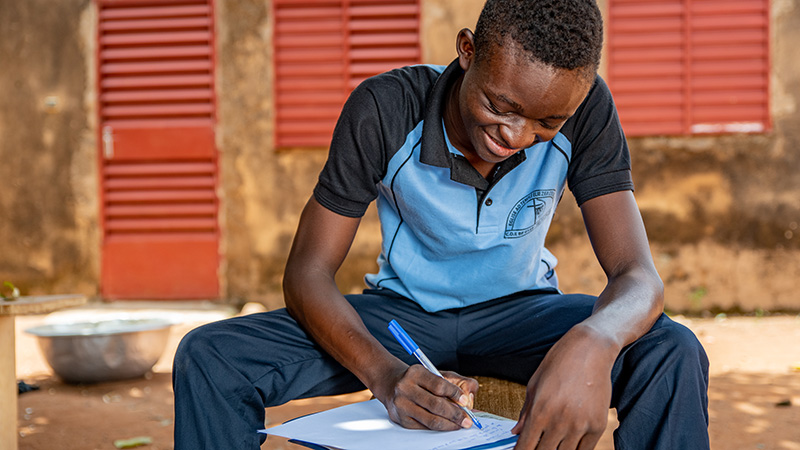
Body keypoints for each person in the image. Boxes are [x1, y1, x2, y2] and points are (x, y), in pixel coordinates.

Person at [173, 0, 710, 448]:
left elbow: (639, 277)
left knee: (670, 351)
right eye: (501, 105)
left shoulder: (589, 108)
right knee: (212, 356)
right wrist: (385, 376)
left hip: (521, 314)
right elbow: (308, 272)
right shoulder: (384, 109)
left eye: (548, 122)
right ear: (467, 50)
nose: (516, 135)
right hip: (402, 318)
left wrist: (595, 338)